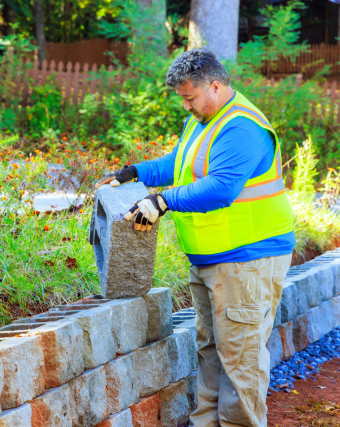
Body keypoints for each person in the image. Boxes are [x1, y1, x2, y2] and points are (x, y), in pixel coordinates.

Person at [96, 48, 294, 427]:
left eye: (190, 97)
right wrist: (135, 172)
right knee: (212, 351)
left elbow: (220, 188)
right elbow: (179, 162)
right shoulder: (203, 119)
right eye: (182, 98)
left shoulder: (241, 128)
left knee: (240, 359)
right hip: (212, 260)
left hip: (246, 260)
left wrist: (162, 201)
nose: (185, 105)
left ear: (214, 86)